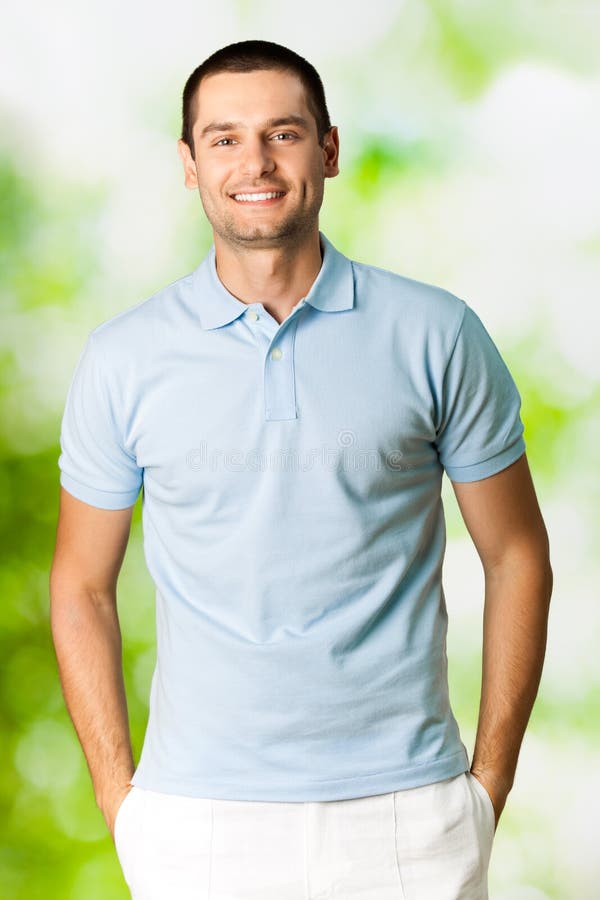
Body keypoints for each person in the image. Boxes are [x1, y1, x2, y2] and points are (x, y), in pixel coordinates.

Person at [49, 39, 553, 900]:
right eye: (224, 138)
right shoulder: (123, 360)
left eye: (283, 134)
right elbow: (79, 585)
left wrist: (486, 784)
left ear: (328, 149)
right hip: (196, 822)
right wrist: (119, 796)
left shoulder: (436, 333)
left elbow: (518, 557)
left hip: (407, 817)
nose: (255, 162)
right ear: (188, 162)